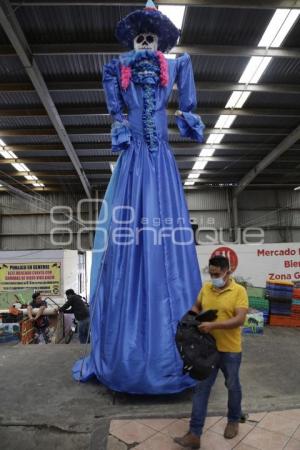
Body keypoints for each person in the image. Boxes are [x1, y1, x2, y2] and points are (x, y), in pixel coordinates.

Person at [72, 0, 204, 394]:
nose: (146, 41)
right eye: (140, 36)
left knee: (165, 235)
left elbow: (187, 103)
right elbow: (115, 109)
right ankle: (132, 351)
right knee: (128, 235)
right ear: (133, 38)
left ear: (161, 39)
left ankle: (175, 349)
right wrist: (121, 125)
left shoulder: (177, 64)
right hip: (134, 163)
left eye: (152, 36)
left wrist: (187, 116)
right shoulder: (117, 67)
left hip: (160, 161)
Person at [175, 255, 249, 449]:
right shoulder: (206, 288)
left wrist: (213, 325)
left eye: (218, 274)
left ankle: (233, 419)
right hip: (207, 349)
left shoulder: (239, 291)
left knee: (232, 385)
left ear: (228, 272)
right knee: (201, 388)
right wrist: (189, 318)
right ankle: (194, 434)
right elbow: (197, 306)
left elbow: (240, 319)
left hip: (230, 350)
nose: (214, 277)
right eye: (212, 273)